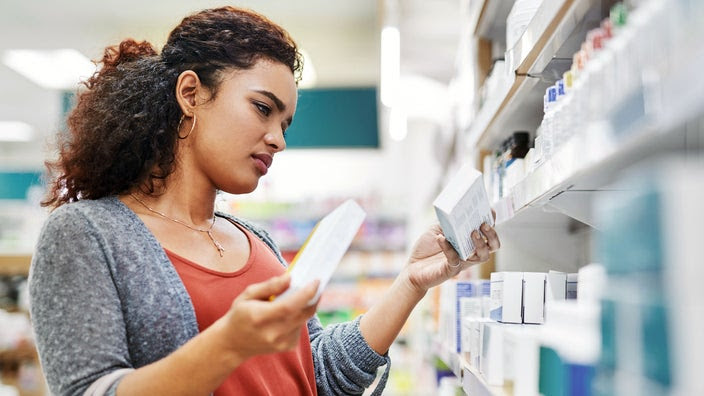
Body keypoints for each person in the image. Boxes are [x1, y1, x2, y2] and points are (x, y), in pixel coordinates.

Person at [29, 6, 500, 396]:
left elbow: (314, 372)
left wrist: (410, 284)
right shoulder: (86, 234)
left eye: (286, 123)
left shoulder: (255, 241)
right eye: (262, 108)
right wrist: (228, 345)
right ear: (191, 94)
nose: (277, 139)